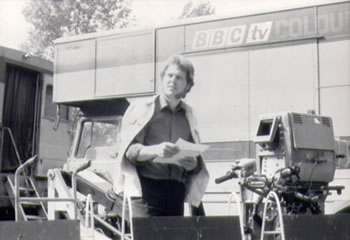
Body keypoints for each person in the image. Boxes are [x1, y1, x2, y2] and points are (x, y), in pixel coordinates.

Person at [111, 54, 209, 217]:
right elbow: (130, 153)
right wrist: (156, 150)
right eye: (169, 76)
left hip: (176, 193)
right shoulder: (144, 109)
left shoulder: (189, 116)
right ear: (162, 79)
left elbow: (195, 161)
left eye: (179, 77)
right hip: (146, 193)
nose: (173, 80)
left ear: (187, 86)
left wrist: (191, 164)